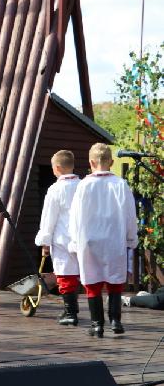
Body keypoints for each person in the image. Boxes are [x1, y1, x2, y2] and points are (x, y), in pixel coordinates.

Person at [68, 143, 138, 337]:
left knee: (92, 282)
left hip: (89, 240)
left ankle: (97, 324)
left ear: (91, 162)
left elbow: (74, 216)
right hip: (114, 239)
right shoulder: (120, 184)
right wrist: (131, 238)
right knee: (115, 280)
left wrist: (74, 241)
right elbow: (130, 214)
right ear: (112, 162)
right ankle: (115, 320)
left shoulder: (84, 185)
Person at [34, 150, 81, 325]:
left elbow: (48, 218)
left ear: (58, 168)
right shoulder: (83, 185)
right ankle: (77, 310)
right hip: (82, 238)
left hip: (62, 238)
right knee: (80, 274)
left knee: (65, 274)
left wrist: (44, 241)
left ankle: (70, 312)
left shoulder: (55, 189)